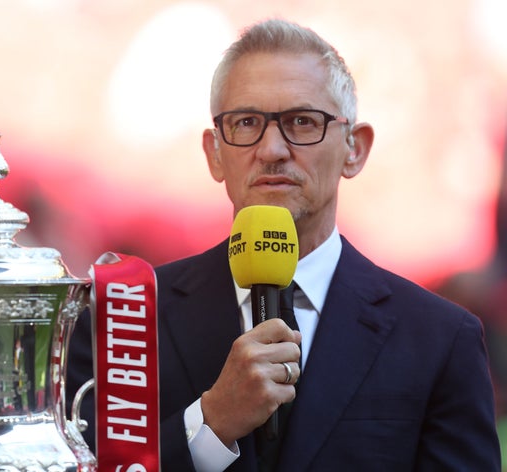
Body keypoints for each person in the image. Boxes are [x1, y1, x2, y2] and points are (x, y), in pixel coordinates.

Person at [66, 18, 501, 471]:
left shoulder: (439, 339)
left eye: (301, 121)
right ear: (215, 153)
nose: (272, 148)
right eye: (247, 122)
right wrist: (209, 423)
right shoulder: (123, 318)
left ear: (355, 148)